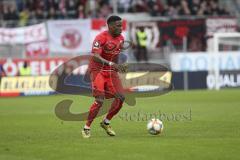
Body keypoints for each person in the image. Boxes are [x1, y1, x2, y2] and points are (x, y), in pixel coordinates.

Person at [82, 15, 127, 138]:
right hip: (98, 70)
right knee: (100, 100)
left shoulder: (121, 38)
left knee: (121, 97)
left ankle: (106, 122)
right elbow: (96, 56)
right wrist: (112, 64)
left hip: (111, 71)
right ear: (110, 26)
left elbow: (116, 55)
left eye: (121, 25)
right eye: (118, 26)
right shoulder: (100, 38)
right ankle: (87, 127)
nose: (121, 28)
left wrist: (118, 66)